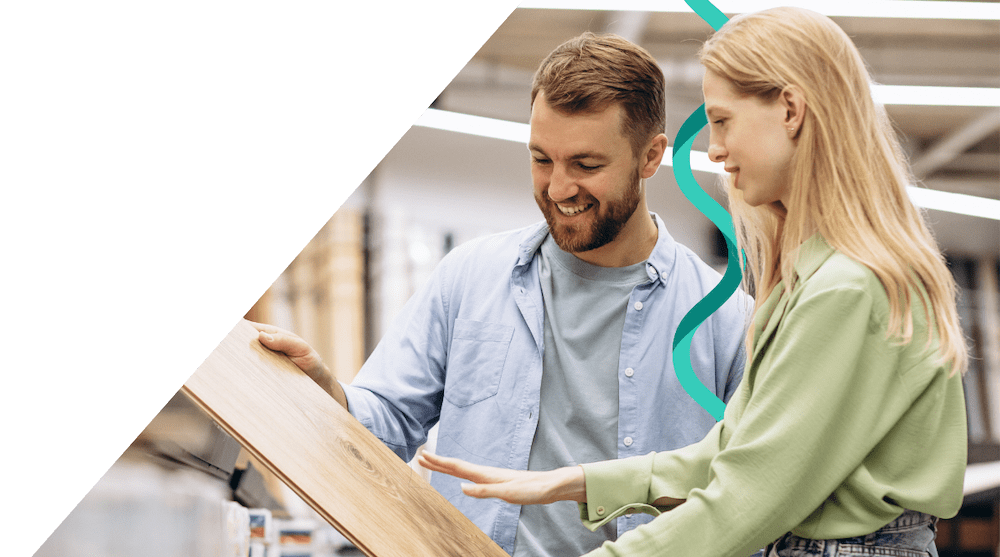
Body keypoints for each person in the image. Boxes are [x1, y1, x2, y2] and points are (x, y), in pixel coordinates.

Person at [418, 7, 969, 557]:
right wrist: (577, 481)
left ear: (791, 110)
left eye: (723, 120)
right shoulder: (818, 277)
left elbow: (744, 499)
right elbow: (735, 450)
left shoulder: (847, 290)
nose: (714, 149)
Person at [253, 32, 752, 557]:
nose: (559, 188)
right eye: (542, 160)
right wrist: (326, 391)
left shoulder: (722, 317)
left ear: (651, 157)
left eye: (586, 165)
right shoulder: (470, 278)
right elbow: (388, 424)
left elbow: (742, 488)